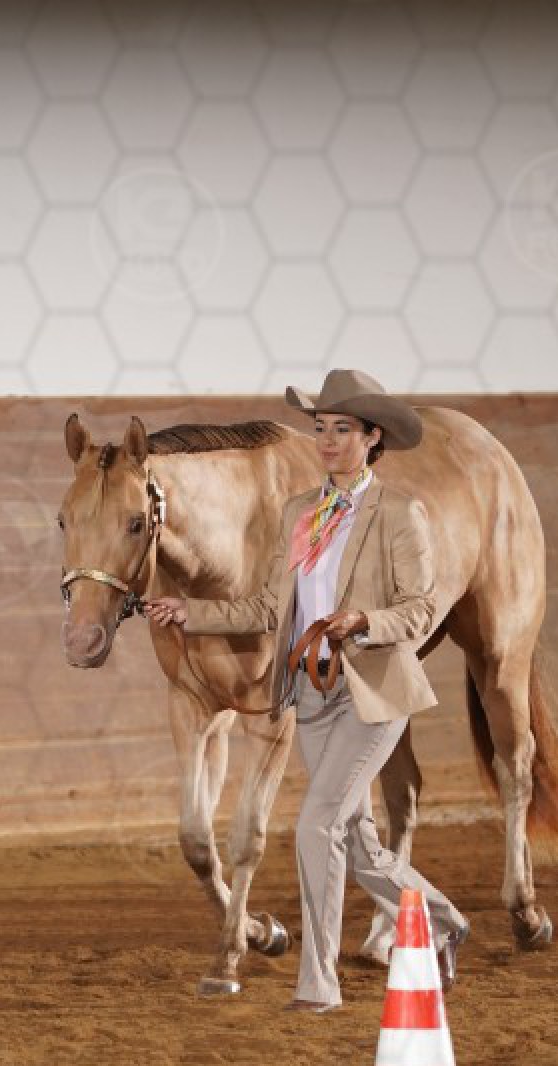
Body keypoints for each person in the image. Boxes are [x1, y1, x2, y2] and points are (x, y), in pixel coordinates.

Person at [143, 369, 469, 1014]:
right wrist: (190, 613)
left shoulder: (400, 513)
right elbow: (269, 607)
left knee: (317, 824)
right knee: (357, 839)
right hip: (313, 696)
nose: (326, 440)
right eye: (321, 428)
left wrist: (364, 621)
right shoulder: (301, 513)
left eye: (342, 429)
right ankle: (442, 918)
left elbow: (422, 610)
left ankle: (318, 985)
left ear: (372, 437)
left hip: (374, 693)